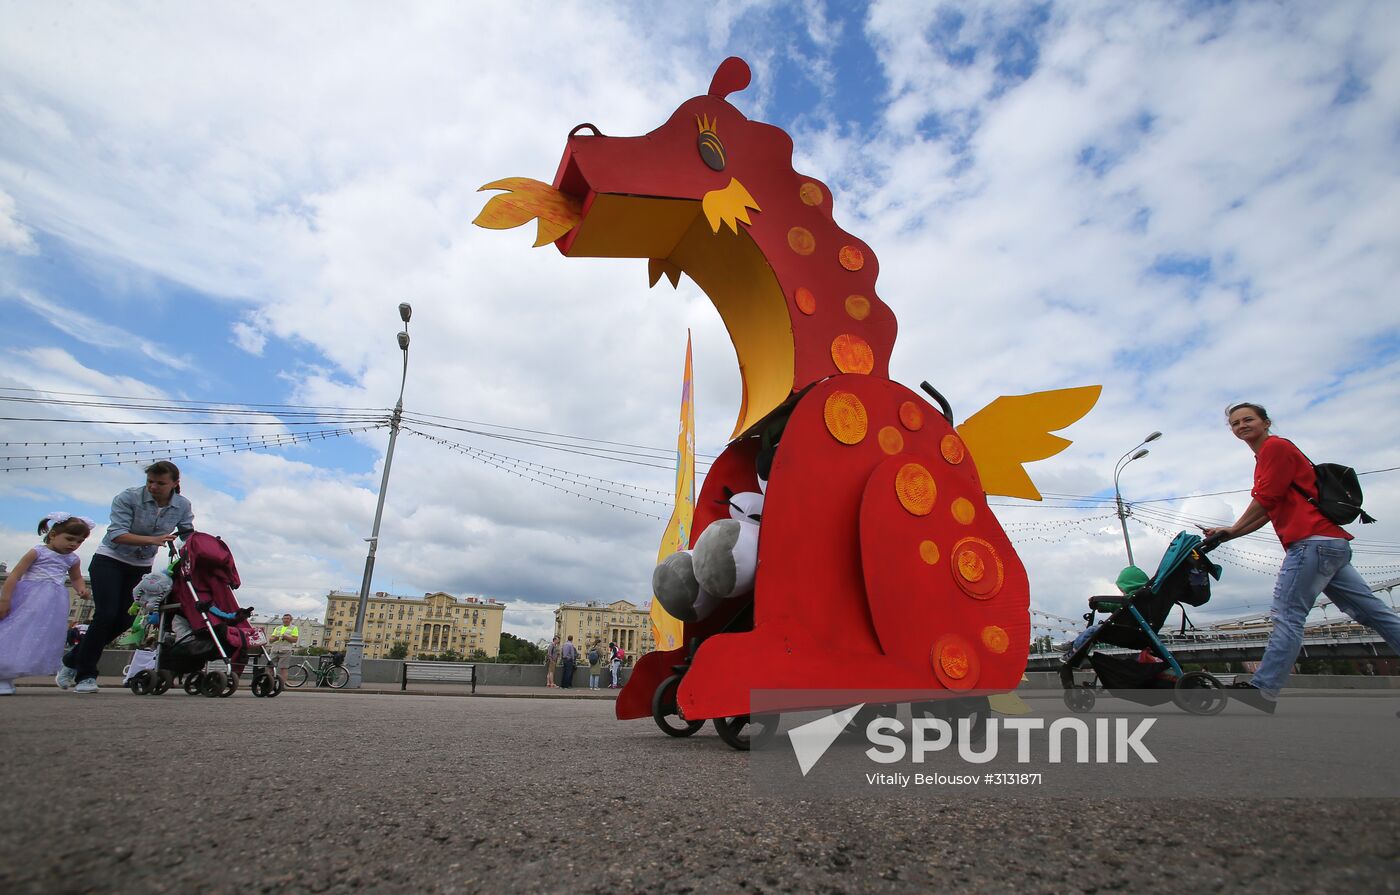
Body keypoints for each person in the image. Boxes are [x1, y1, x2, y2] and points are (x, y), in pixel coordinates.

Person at [1204, 403, 1400, 713]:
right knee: (1375, 614)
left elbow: (1265, 498)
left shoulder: (1274, 447)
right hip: (1330, 543)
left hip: (1311, 543)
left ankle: (1263, 689)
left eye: (1248, 419)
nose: (1241, 425)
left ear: (1266, 422)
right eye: (1235, 423)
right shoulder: (1266, 455)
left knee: (1288, 615)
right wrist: (1231, 532)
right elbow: (1270, 508)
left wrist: (1233, 528)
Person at [57, 460, 194, 694]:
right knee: (106, 614)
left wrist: (197, 548)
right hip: (110, 559)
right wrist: (153, 540)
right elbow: (117, 534)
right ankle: (86, 674)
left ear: (174, 483)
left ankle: (72, 660)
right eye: (150, 481)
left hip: (139, 564)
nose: (153, 487)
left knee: (125, 620)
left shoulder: (182, 505)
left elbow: (186, 532)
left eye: (160, 483)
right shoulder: (128, 497)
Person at [0, 515, 93, 695]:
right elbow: (15, 575)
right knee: (15, 633)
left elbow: (76, 577)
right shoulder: (37, 552)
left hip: (52, 603)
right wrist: (5, 599)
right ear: (52, 535)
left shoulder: (72, 559)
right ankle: (3, 676)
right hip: (29, 598)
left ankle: (8, 675)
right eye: (69, 539)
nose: (74, 544)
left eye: (79, 541)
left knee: (34, 638)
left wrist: (82, 590)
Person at [269, 613, 299, 686]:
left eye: (287, 619)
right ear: (282, 619)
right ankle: (269, 683)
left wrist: (285, 637)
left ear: (290, 620)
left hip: (285, 651)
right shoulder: (278, 628)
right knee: (270, 667)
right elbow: (270, 640)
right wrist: (276, 638)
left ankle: (281, 685)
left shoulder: (294, 628)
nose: (285, 620)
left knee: (283, 668)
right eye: (284, 618)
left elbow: (295, 640)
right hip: (275, 649)